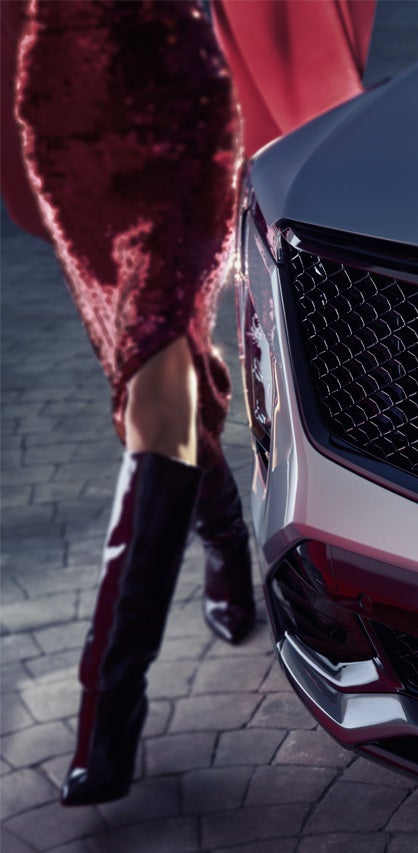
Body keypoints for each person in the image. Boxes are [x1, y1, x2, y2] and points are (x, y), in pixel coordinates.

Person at [8, 0, 253, 805]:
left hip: (176, 102)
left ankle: (106, 718)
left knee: (157, 376)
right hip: (66, 109)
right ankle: (226, 535)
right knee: (164, 377)